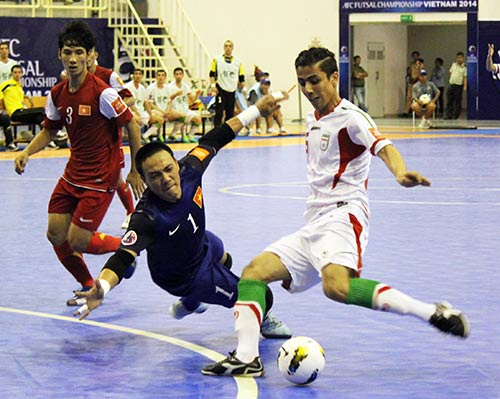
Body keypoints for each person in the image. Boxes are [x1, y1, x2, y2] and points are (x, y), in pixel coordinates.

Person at [202, 47, 469, 378]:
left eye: (315, 80)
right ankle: (246, 357)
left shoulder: (351, 117)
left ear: (334, 77)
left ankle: (430, 312)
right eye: (302, 82)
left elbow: (383, 146)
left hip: (344, 216)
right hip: (313, 222)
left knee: (337, 287)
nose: (309, 89)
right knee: (253, 272)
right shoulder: (315, 118)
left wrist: (400, 173)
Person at [69, 93, 293, 342]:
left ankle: (191, 303)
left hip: (201, 243)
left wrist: (255, 110)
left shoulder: (191, 169)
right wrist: (104, 286)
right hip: (181, 276)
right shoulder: (146, 217)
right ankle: (259, 316)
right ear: (145, 181)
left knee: (225, 260)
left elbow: (216, 138)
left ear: (177, 164)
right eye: (154, 176)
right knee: (262, 296)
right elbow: (122, 258)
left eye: (168, 169)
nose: (165, 179)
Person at [13, 20, 144, 303]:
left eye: (79, 53)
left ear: (89, 55)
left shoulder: (103, 92)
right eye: (68, 52)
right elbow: (50, 129)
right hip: (73, 174)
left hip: (101, 176)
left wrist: (134, 169)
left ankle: (127, 249)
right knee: (55, 234)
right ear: (60, 54)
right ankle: (88, 283)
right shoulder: (58, 93)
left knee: (78, 240)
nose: (73, 58)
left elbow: (132, 125)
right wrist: (26, 152)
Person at [87, 47, 138, 229]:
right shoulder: (74, 77)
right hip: (86, 139)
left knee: (115, 178)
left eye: (88, 52)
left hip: (109, 136)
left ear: (95, 54)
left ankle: (132, 212)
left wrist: (112, 109)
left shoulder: (108, 76)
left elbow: (130, 99)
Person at [0, 64, 46, 152]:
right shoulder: (6, 85)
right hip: (14, 113)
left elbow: (18, 99)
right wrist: (3, 109)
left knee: (39, 117)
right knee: (42, 110)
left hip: (21, 111)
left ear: (22, 74)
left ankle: (46, 143)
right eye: (15, 72)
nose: (17, 74)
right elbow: (1, 98)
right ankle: (57, 133)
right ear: (11, 74)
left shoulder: (19, 86)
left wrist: (27, 98)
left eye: (19, 72)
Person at [209, 40, 245, 127]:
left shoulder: (238, 61)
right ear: (223, 48)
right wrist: (213, 86)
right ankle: (216, 130)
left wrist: (244, 89)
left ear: (232, 48)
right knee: (219, 111)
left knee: (230, 112)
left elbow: (241, 77)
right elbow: (212, 74)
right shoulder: (217, 59)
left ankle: (226, 131)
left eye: (230, 46)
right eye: (226, 46)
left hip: (232, 89)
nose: (228, 48)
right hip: (221, 88)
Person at [165, 67, 202, 143]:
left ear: (183, 75)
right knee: (183, 116)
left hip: (185, 109)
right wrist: (176, 94)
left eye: (180, 74)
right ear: (174, 75)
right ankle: (179, 134)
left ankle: (190, 135)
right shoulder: (169, 87)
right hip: (174, 110)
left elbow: (192, 99)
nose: (178, 76)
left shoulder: (185, 86)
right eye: (177, 74)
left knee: (198, 118)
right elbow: (168, 100)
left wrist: (197, 95)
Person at [144, 69, 169, 141]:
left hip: (165, 111)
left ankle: (173, 135)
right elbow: (149, 104)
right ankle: (146, 136)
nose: (160, 77)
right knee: (160, 118)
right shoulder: (151, 88)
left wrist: (167, 110)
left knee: (181, 116)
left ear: (165, 77)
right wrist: (162, 111)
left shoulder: (167, 88)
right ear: (156, 77)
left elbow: (170, 101)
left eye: (162, 75)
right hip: (154, 110)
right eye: (159, 75)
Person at [445, 52, 467, 120]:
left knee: (457, 102)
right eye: (458, 58)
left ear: (463, 58)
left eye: (460, 57)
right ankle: (449, 115)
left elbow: (465, 77)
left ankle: (456, 116)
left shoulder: (464, 67)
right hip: (451, 85)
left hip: (458, 86)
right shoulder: (453, 65)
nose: (459, 59)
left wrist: (465, 86)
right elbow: (451, 73)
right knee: (449, 101)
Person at [404, 51, 424, 116]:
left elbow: (422, 73)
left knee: (417, 98)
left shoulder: (421, 64)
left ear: (418, 56)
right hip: (411, 82)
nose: (414, 57)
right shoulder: (411, 64)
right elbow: (409, 72)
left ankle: (417, 111)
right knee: (409, 97)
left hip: (417, 82)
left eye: (416, 56)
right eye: (413, 56)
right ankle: (406, 112)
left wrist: (418, 78)